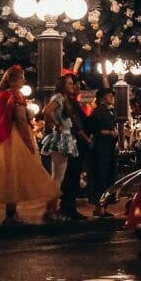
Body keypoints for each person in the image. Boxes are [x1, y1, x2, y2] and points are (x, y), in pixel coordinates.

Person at [0, 65, 60, 225]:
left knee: (8, 175)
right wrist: (29, 143)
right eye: (21, 77)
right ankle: (39, 208)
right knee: (25, 172)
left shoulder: (0, 96)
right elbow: (21, 120)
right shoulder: (15, 96)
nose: (24, 80)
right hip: (14, 138)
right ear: (12, 80)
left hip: (1, 140)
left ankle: (11, 213)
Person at [39, 75, 80, 222]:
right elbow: (47, 110)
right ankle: (51, 210)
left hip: (63, 135)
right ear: (62, 85)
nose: (71, 85)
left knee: (57, 176)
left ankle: (51, 209)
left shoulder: (62, 98)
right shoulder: (59, 98)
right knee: (58, 177)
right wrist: (57, 124)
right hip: (62, 136)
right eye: (69, 83)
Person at [59, 75, 92, 221]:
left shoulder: (72, 102)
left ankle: (68, 207)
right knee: (71, 176)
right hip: (75, 143)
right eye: (73, 84)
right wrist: (86, 139)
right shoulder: (66, 102)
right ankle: (67, 207)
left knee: (73, 176)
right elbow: (76, 124)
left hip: (76, 142)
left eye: (77, 84)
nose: (76, 87)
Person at [89, 87, 118, 217]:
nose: (111, 97)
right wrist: (110, 133)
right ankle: (99, 206)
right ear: (101, 98)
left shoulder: (108, 111)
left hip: (108, 147)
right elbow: (94, 129)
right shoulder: (99, 112)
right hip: (101, 147)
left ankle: (102, 206)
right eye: (108, 95)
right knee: (101, 175)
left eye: (112, 95)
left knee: (106, 175)